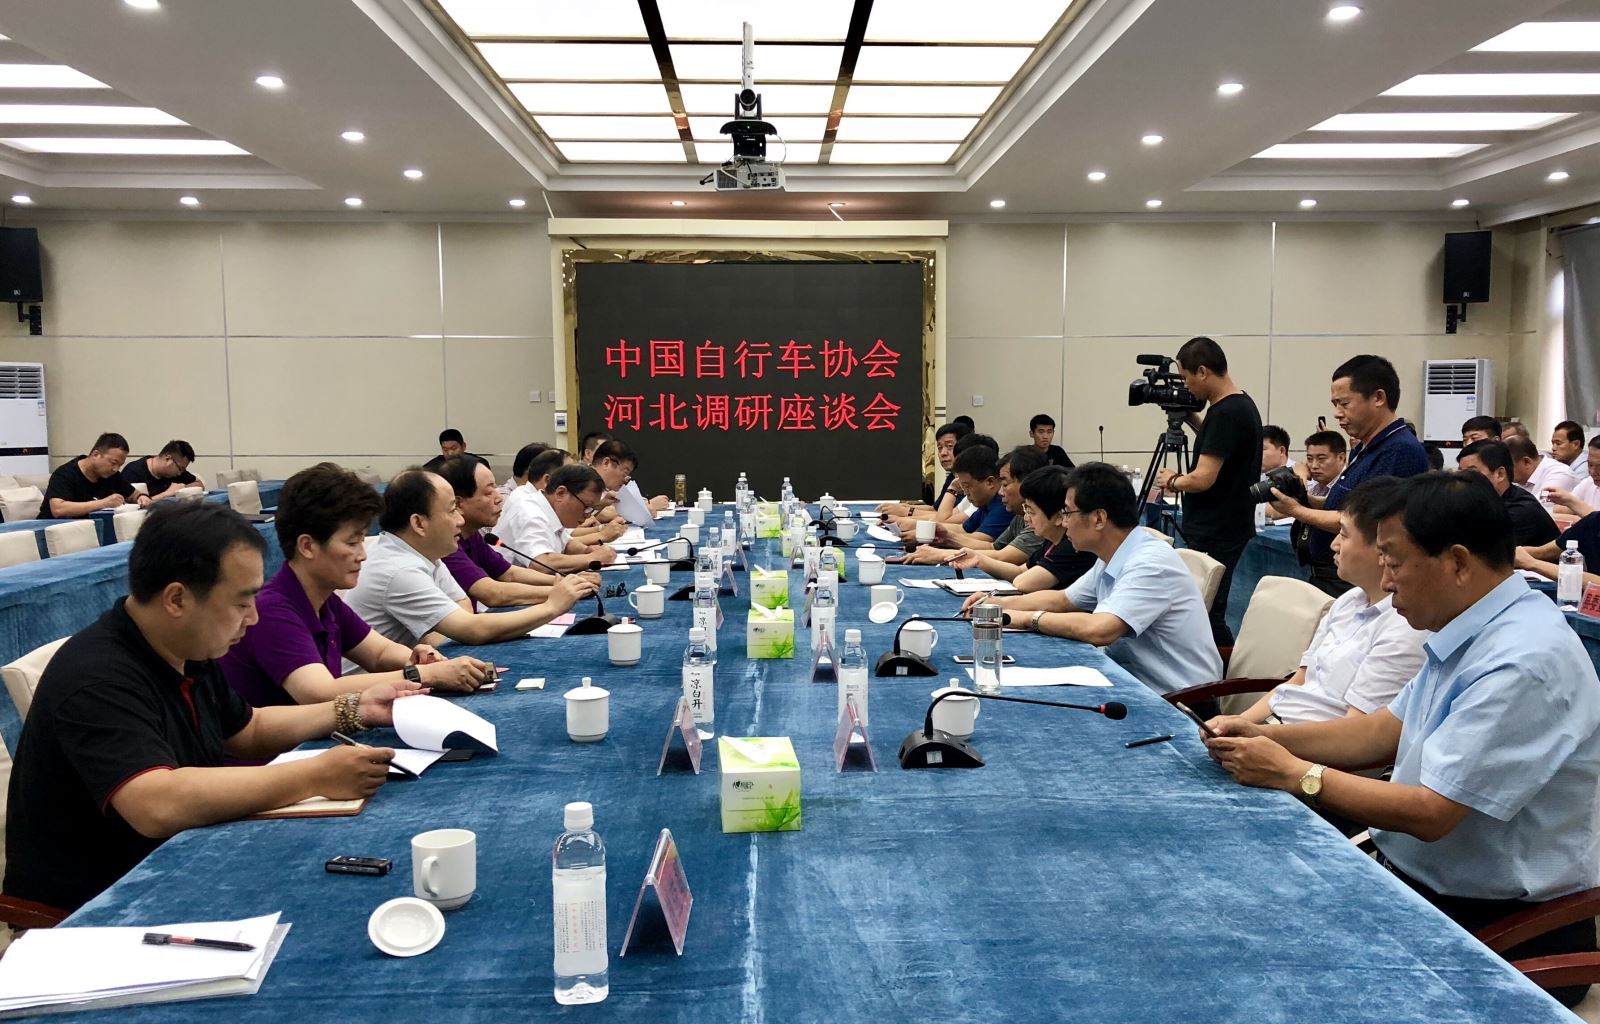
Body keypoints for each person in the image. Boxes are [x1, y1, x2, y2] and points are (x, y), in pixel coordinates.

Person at [1203, 471, 1600, 1007]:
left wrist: (1294, 774)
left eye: (1394, 561)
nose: (1386, 582)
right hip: (1417, 879)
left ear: (1457, 562)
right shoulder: (1469, 626)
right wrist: (1262, 734)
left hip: (1494, 920)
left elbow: (1432, 812)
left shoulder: (1521, 659)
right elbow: (1380, 731)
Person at [2, 502, 417, 915]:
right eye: (242, 602)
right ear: (177, 599)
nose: (253, 618)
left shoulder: (183, 647)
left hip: (172, 861)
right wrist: (314, 776)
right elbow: (155, 804)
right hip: (93, 908)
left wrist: (354, 709)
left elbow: (248, 729)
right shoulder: (96, 676)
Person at [220, 463, 491, 707]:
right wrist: (424, 674)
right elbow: (319, 692)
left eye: (362, 540)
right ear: (307, 546)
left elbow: (379, 653)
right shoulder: (272, 609)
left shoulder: (326, 601)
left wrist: (415, 657)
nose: (362, 555)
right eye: (352, 543)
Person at [968, 463, 1222, 696]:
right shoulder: (1113, 554)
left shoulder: (1150, 563)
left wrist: (1025, 619)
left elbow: (1100, 629)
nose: (1064, 522)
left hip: (1179, 699)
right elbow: (1063, 600)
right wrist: (996, 604)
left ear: (1099, 518)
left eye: (1068, 512)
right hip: (1129, 681)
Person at [1231, 477, 1426, 727]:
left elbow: (1355, 734)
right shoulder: (1349, 600)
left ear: (1382, 549)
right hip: (1276, 729)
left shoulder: (1404, 628)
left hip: (1300, 745)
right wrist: (1235, 724)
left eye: (1343, 534)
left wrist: (1254, 735)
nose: (1334, 545)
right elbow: (1299, 681)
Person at [346, 469, 594, 648]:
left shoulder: (427, 554)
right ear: (419, 523)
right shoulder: (399, 570)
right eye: (452, 510)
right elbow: (472, 628)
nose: (460, 519)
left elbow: (463, 608)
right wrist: (552, 605)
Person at [1272, 355, 1431, 598]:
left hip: (1360, 579)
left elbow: (1362, 520)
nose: (1337, 414)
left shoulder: (1399, 449)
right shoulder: (1366, 445)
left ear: (1378, 398)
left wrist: (1296, 510)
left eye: (1344, 404)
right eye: (1335, 404)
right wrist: (1304, 498)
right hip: (1333, 573)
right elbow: (1345, 504)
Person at [1153, 336, 1263, 645]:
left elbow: (1202, 479)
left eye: (1186, 378)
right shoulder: (1238, 404)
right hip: (1228, 524)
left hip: (1218, 528)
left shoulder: (1226, 412)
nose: (1186, 387)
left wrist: (1172, 480)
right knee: (1208, 608)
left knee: (1208, 611)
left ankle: (1225, 668)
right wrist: (1189, 417)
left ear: (1202, 371)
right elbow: (1220, 442)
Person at [432, 456, 598, 615]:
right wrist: (562, 591)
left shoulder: (472, 536)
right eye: (489, 493)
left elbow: (509, 573)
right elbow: (492, 593)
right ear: (458, 504)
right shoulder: (445, 545)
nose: (499, 498)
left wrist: (565, 580)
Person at [954, 464, 1096, 591]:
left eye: (1031, 511)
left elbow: (1023, 582)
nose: (1026, 518)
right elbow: (1020, 571)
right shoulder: (1051, 542)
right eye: (1025, 510)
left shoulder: (1072, 546)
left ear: (1059, 517)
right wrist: (978, 559)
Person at [905, 446, 1045, 566]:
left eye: (1005, 484)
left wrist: (942, 555)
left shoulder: (1039, 518)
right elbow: (993, 547)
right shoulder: (1019, 515)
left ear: (1028, 484)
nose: (1001, 492)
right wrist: (947, 537)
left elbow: (1003, 556)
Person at [495, 463, 616, 573]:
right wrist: (592, 558)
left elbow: (566, 544)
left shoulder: (549, 509)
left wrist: (587, 551)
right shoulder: (530, 513)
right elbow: (540, 563)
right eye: (586, 507)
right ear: (560, 493)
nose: (588, 515)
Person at [902, 443, 1014, 549]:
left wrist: (932, 536)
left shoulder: (1003, 503)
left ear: (990, 482)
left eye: (967, 486)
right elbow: (963, 529)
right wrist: (926, 530)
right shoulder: (986, 502)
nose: (965, 493)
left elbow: (981, 539)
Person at [1456, 440, 1559, 548]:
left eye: (1471, 472)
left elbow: (1479, 552)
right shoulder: (1481, 502)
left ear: (1500, 474)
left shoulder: (1520, 510)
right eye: (1460, 472)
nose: (1462, 479)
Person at [41, 432, 151, 519]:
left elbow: (133, 495)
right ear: (95, 454)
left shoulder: (111, 475)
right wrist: (103, 503)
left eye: (120, 465)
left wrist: (141, 497)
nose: (115, 469)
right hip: (56, 530)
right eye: (113, 463)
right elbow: (58, 509)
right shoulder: (65, 474)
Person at [878, 421, 970, 518]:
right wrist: (903, 507)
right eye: (939, 448)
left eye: (949, 446)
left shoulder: (969, 480)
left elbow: (946, 517)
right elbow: (935, 509)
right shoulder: (952, 476)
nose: (943, 453)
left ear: (964, 447)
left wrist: (906, 512)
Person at [593, 439, 668, 528]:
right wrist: (640, 510)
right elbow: (600, 513)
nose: (626, 479)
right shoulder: (583, 481)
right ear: (606, 463)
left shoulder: (604, 487)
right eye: (625, 473)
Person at [119, 440, 205, 500]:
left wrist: (183, 489)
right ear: (168, 459)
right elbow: (129, 506)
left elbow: (199, 484)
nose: (180, 473)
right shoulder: (133, 472)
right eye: (180, 468)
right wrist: (166, 494)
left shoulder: (176, 473)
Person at [1505, 433, 1578, 499]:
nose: (1504, 472)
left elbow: (1539, 507)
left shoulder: (1559, 474)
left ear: (1526, 462)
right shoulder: (1517, 479)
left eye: (1507, 467)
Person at [1302, 430, 1347, 499]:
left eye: (1321, 459)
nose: (1314, 466)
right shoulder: (1317, 487)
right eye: (1310, 459)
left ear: (1341, 458)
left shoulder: (1349, 485)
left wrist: (1301, 479)